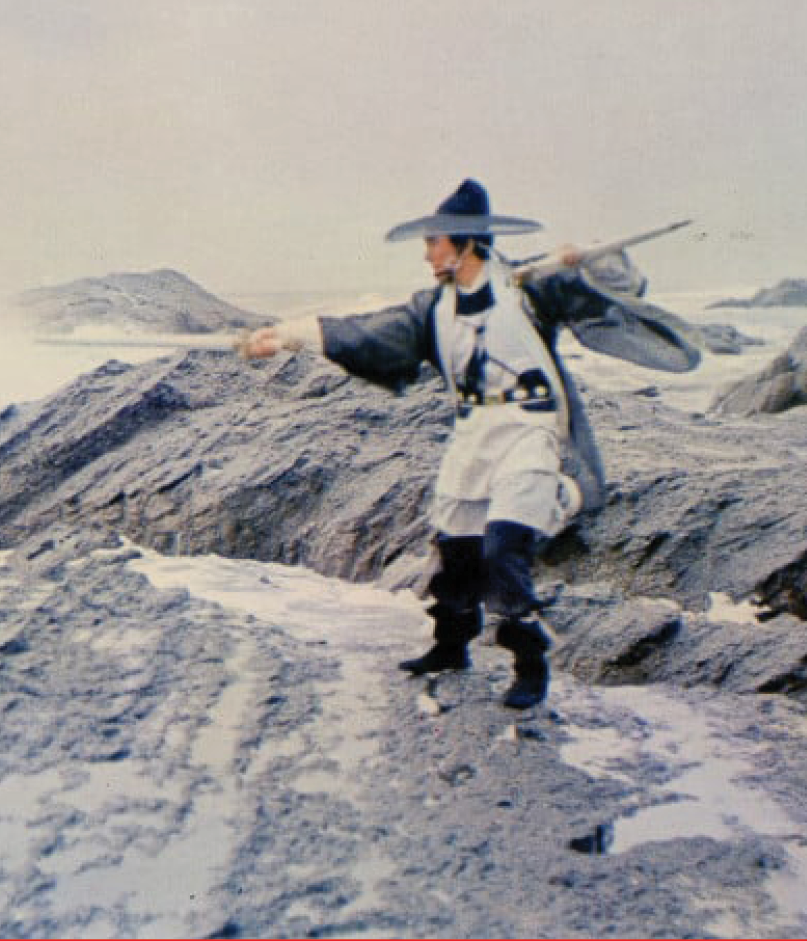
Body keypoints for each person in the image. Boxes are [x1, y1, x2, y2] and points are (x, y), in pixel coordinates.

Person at [241, 180, 699, 708]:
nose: (427, 254)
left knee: (503, 545)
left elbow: (616, 292)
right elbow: (371, 331)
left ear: (464, 245)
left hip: (529, 428)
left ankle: (529, 661)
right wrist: (289, 336)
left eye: (434, 243)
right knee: (457, 549)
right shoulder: (433, 309)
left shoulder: (531, 289)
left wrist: (592, 261)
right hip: (474, 430)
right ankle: (450, 645)